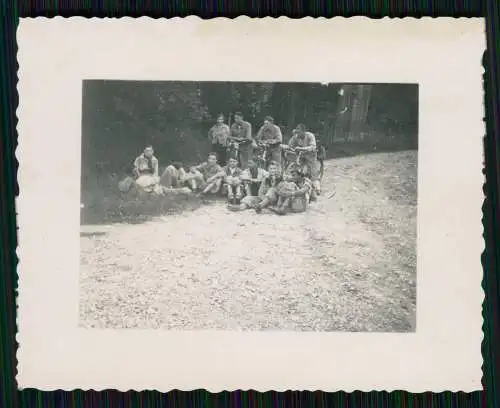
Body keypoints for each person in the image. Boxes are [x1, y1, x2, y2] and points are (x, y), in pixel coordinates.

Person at [287, 124, 322, 197]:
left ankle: (317, 189)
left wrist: (301, 149)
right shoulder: (296, 136)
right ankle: (297, 183)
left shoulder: (310, 136)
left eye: (299, 132)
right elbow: (290, 145)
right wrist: (292, 138)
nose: (298, 134)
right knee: (294, 169)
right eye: (297, 132)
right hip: (301, 156)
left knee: (313, 174)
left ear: (304, 131)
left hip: (311, 156)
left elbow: (313, 147)